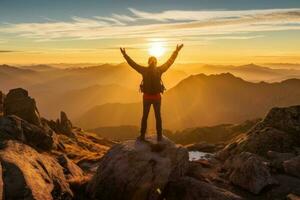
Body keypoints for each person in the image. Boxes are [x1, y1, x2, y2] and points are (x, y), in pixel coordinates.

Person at [120, 44, 183, 141]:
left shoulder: (144, 70)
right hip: (157, 97)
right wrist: (176, 51)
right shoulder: (159, 70)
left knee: (144, 117)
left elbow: (132, 64)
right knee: (158, 117)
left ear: (148, 62)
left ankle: (142, 136)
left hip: (146, 97)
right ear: (156, 62)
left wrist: (125, 55)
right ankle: (159, 137)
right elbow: (170, 62)